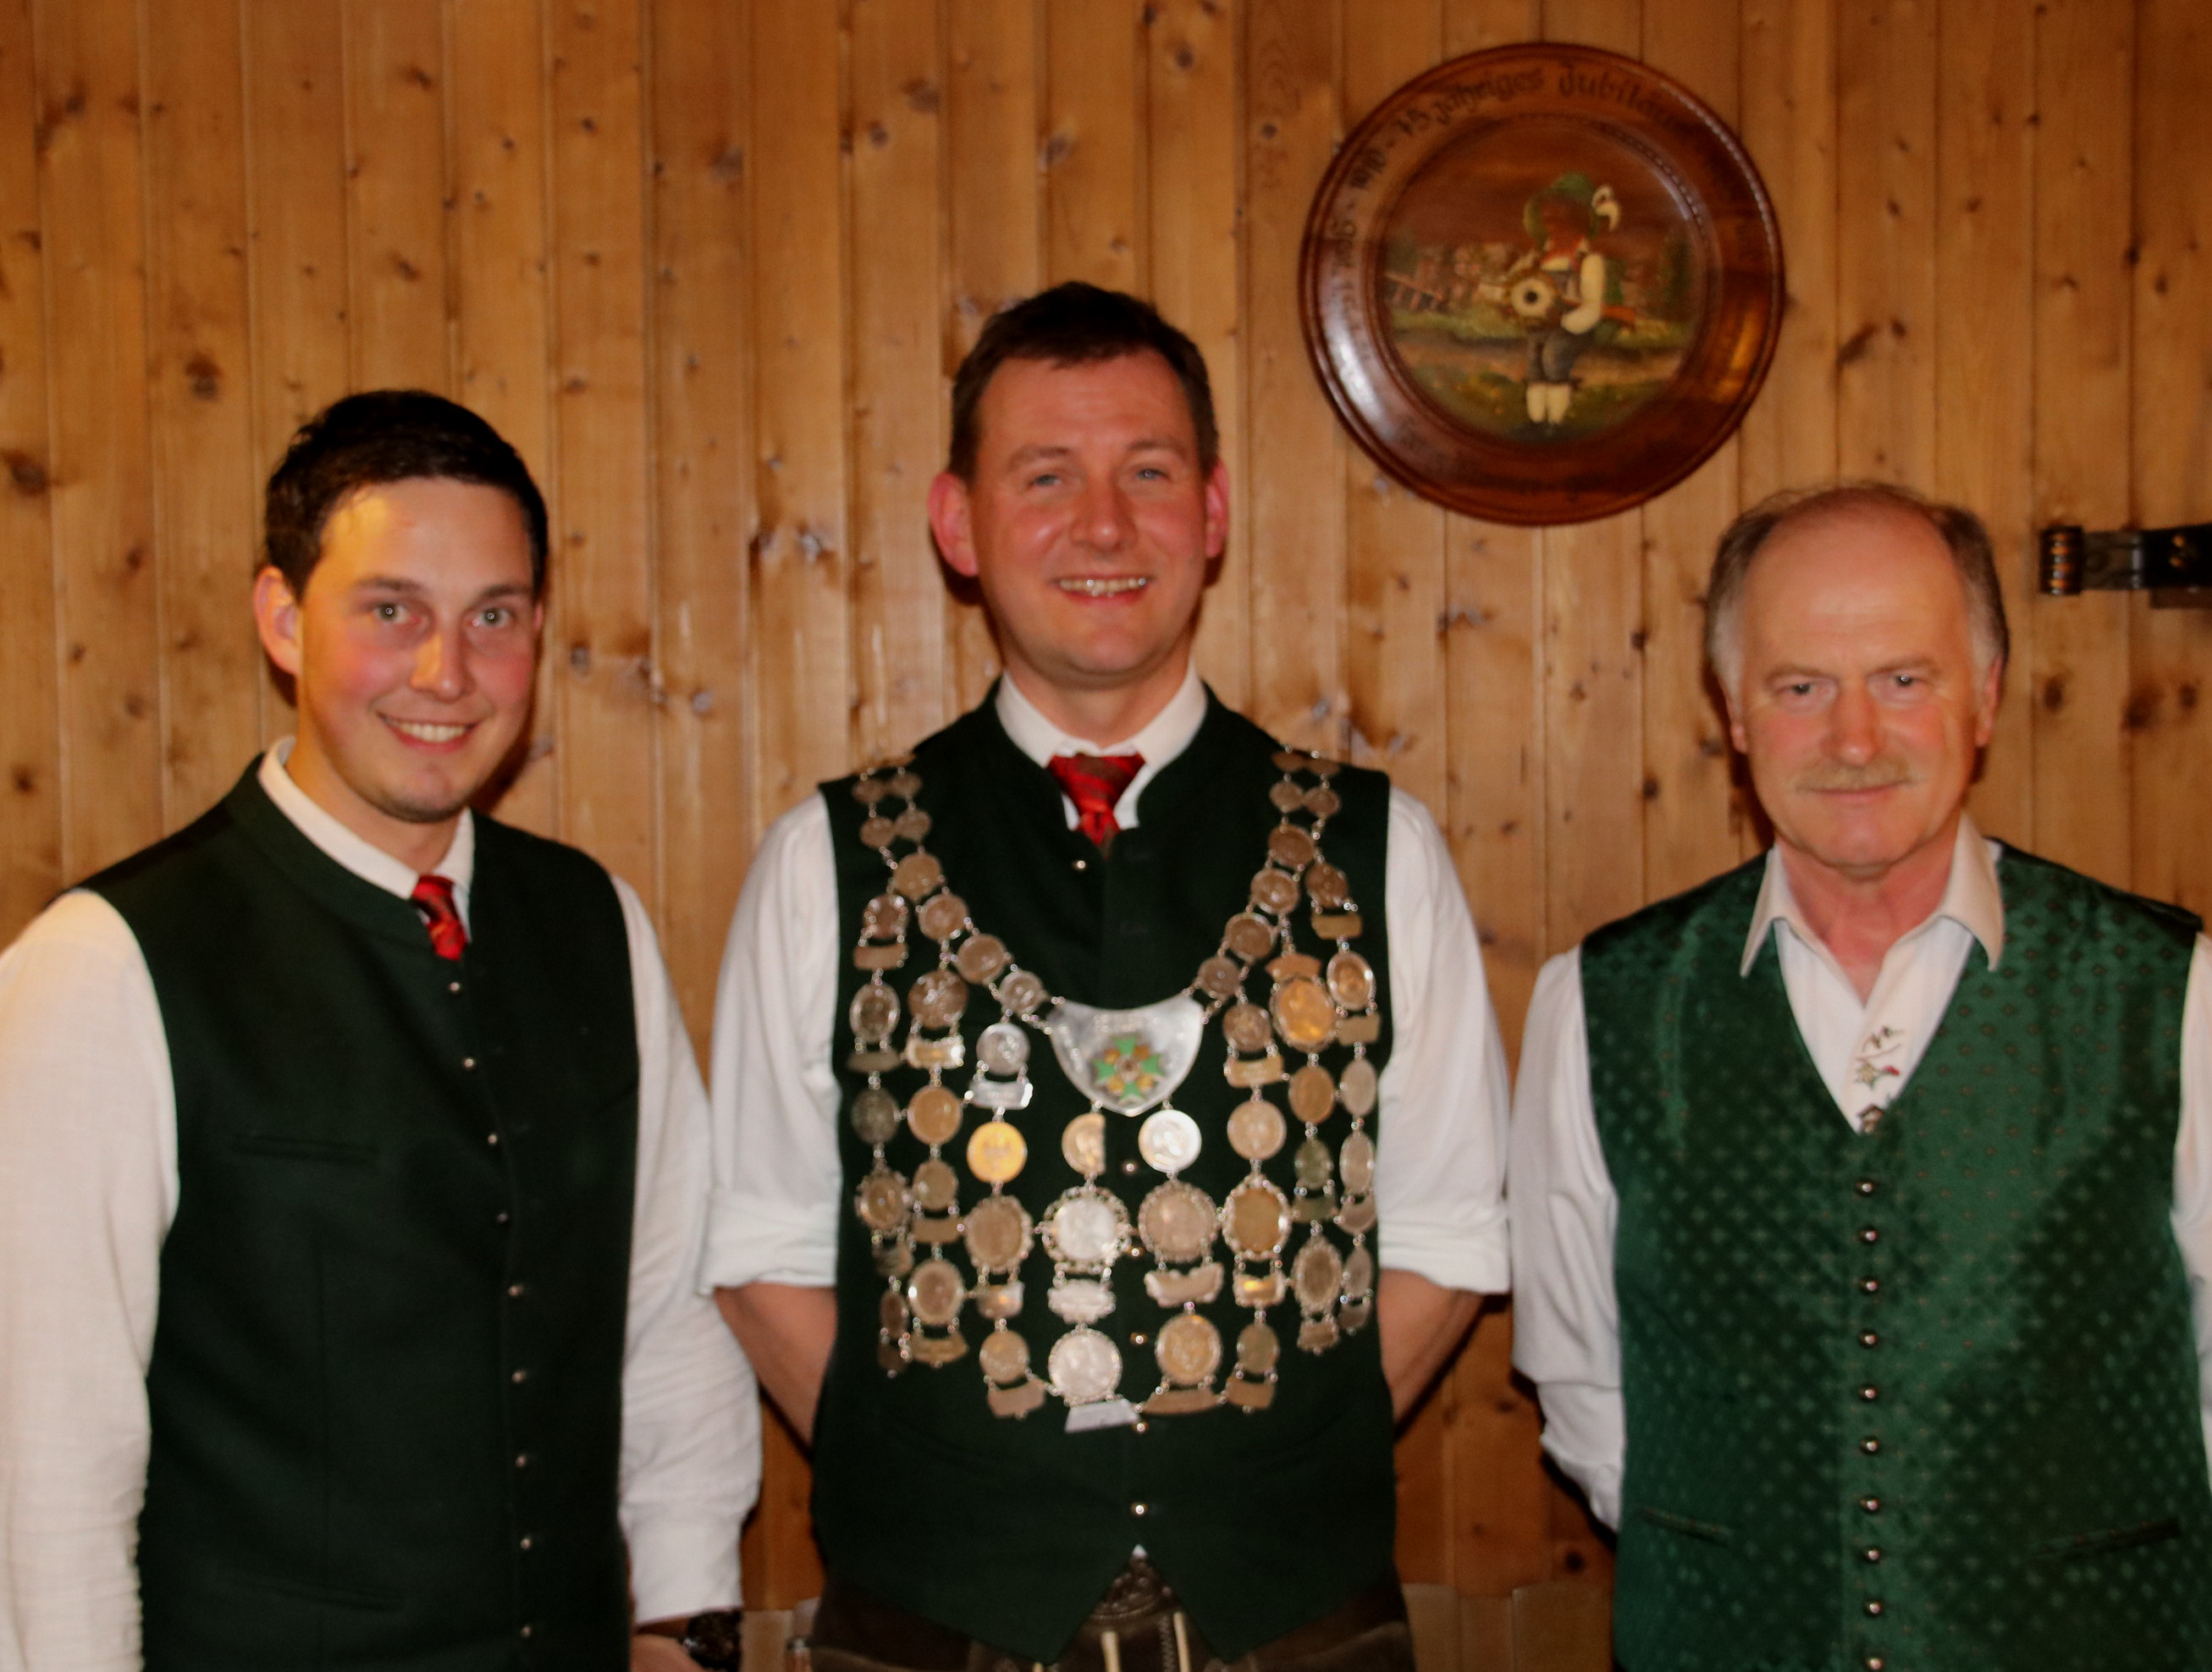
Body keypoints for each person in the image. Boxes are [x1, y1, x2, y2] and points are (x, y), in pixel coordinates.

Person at [704, 284, 1509, 1672]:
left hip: (1296, 1618)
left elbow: (1447, 1235)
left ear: (1211, 511)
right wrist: (953, 1484)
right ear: (957, 524)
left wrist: (1257, 1475)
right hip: (927, 1621)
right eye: (1045, 477)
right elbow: (763, 1247)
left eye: (1146, 473)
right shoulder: (819, 861)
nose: (1101, 526)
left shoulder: (1381, 848)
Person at [0, 392, 758, 1672]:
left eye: (494, 617)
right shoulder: (103, 966)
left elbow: (664, 1309)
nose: (445, 673)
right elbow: (48, 1459)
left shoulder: (595, 924)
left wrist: (686, 1620)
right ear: (284, 620)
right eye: (391, 609)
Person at [1509, 482, 2212, 1670]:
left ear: (1982, 695)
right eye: (1799, 688)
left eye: (1902, 678)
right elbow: (1580, 1378)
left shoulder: (2172, 992)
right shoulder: (1599, 1003)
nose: (1851, 740)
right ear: (1733, 710)